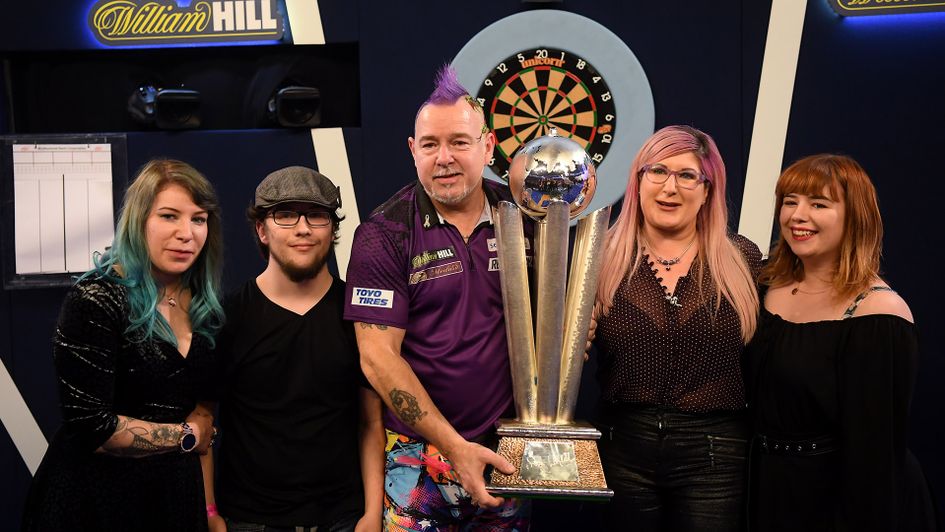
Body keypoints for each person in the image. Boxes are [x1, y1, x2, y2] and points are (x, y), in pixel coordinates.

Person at [343, 66, 531, 530]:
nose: (444, 158)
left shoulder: (524, 220)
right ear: (413, 151)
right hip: (416, 459)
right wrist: (453, 446)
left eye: (459, 142)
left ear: (488, 146)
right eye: (430, 145)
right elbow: (377, 358)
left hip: (505, 451)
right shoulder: (384, 233)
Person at [21, 159, 225, 532]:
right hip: (95, 502)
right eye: (169, 216)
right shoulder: (97, 298)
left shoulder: (206, 307)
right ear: (138, 221)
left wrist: (210, 511)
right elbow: (94, 429)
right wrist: (186, 436)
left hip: (174, 500)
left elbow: (204, 415)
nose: (186, 233)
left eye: (198, 219)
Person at [745, 154, 938, 531]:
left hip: (841, 501)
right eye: (790, 201)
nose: (798, 216)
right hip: (770, 491)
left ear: (855, 217)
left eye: (819, 204)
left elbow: (875, 453)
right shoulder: (763, 286)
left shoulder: (878, 313)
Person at [592, 125, 762, 531]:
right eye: (658, 171)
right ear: (638, 181)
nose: (670, 188)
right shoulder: (597, 258)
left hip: (716, 455)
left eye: (687, 175)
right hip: (622, 449)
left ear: (707, 190)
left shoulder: (743, 259)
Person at [210, 166, 384, 532]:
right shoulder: (227, 317)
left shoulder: (359, 315)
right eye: (286, 215)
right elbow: (202, 421)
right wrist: (211, 515)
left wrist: (371, 514)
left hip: (344, 518)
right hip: (248, 520)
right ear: (262, 229)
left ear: (332, 229)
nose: (303, 228)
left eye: (317, 215)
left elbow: (371, 423)